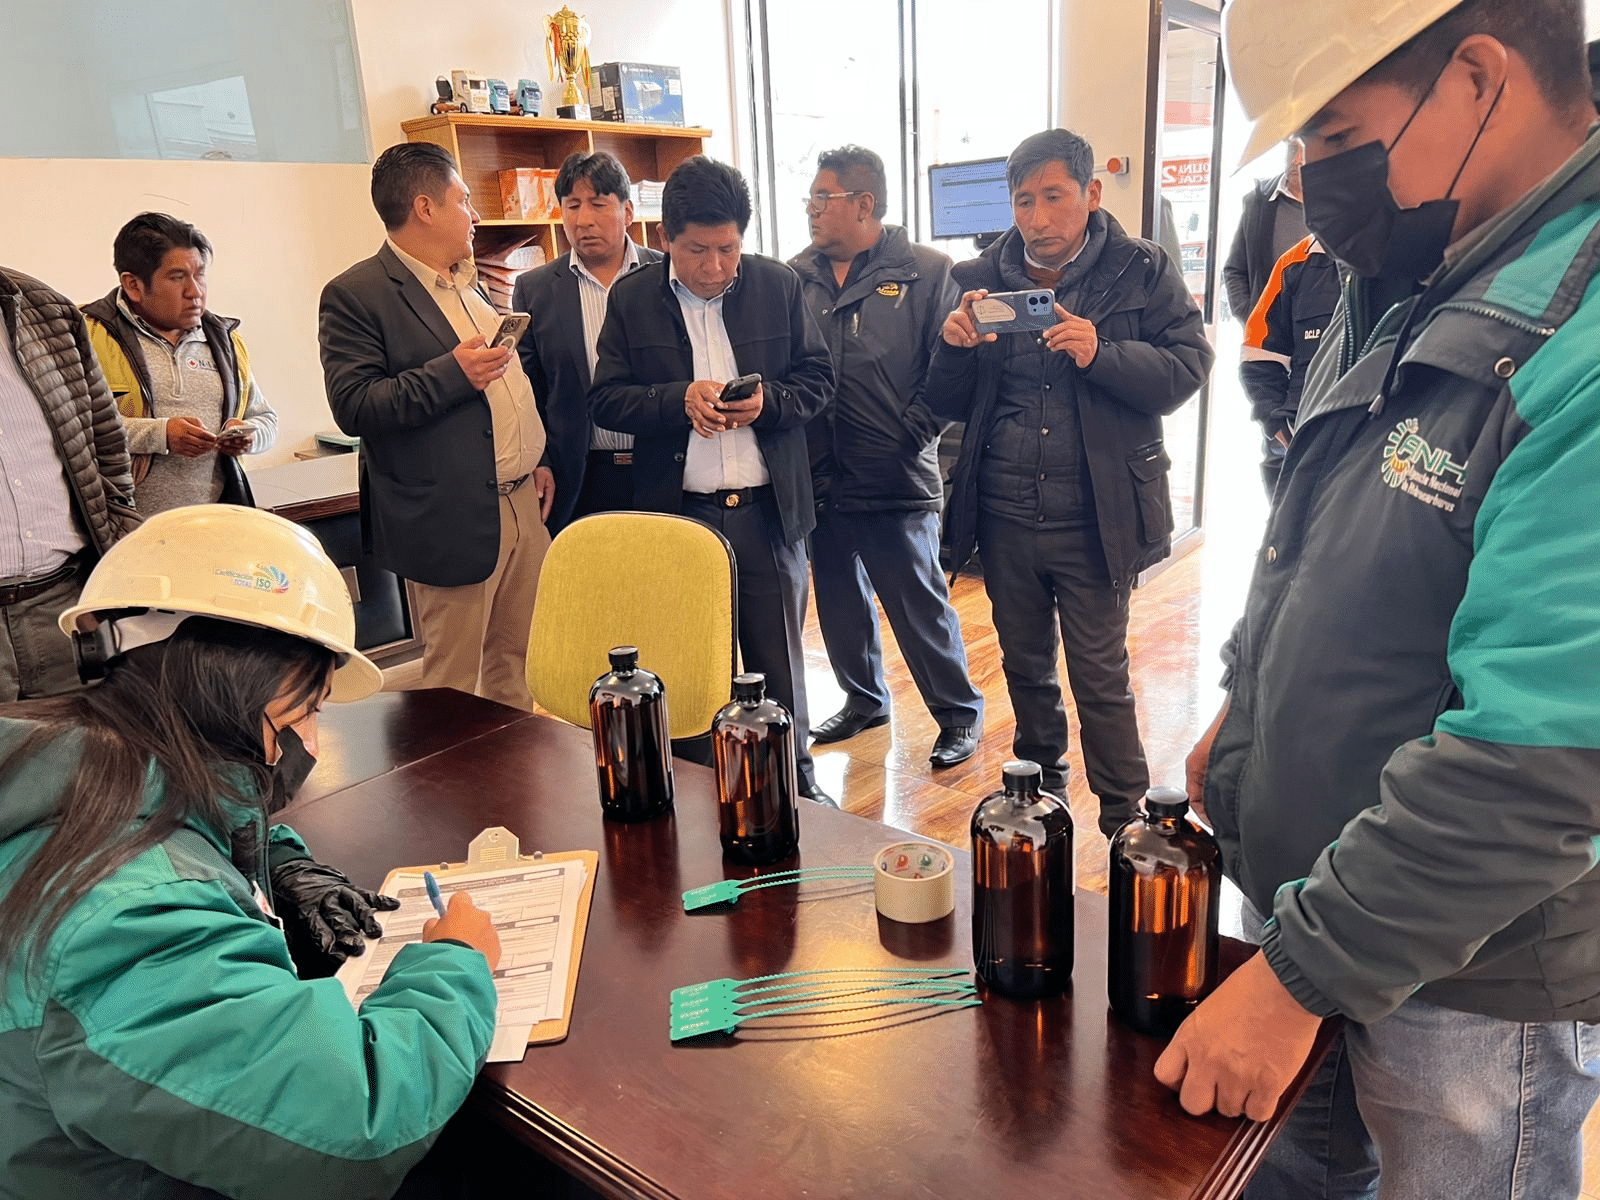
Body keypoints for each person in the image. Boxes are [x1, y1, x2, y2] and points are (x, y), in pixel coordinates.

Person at [1158, 4, 1600, 1199]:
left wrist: (1296, 978)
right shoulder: (1413, 265)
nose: (1311, 183)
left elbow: (1540, 760)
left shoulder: (1575, 340)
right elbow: (1326, 544)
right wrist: (1252, 708)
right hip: (1317, 899)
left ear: (1476, 78)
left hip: (1469, 980)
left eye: (1336, 135)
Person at [0, 504, 502, 1198]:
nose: (312, 743)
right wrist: (455, 962)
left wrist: (282, 865)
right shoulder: (126, 925)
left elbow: (182, 821)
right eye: (310, 708)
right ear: (231, 683)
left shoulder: (71, 776)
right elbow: (356, 1125)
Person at [925, 128, 1212, 837]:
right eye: (1024, 201)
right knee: (1024, 668)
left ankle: (1125, 823)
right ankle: (1037, 800)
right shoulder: (978, 278)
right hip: (1004, 515)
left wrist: (1101, 352)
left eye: (1054, 196)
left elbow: (1187, 369)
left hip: (1096, 517)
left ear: (1091, 193)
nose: (1038, 217)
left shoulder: (1140, 269)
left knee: (1100, 677)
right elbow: (945, 401)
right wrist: (954, 349)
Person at [591, 156, 837, 806]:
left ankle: (797, 790)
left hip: (767, 514)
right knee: (693, 667)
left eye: (729, 249)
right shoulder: (632, 299)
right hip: (681, 517)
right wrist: (676, 400)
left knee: (779, 665)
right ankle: (701, 797)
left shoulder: (777, 285)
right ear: (665, 238)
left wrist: (769, 403)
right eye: (698, 250)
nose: (716, 266)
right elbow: (606, 399)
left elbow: (819, 379)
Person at [320, 142, 555, 711]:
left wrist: (537, 458)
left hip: (522, 503)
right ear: (425, 208)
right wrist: (453, 374)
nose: (474, 214)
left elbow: (506, 389)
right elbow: (355, 405)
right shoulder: (358, 294)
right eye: (464, 200)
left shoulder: (469, 280)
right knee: (454, 687)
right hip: (452, 517)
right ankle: (458, 774)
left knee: (519, 666)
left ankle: (509, 771)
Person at [787, 145, 985, 768]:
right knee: (839, 603)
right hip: (821, 477)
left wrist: (912, 434)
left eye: (823, 198)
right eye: (812, 198)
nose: (812, 209)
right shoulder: (796, 276)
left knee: (918, 605)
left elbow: (954, 368)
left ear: (863, 204)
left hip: (895, 474)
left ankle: (959, 714)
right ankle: (864, 698)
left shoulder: (928, 272)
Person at [0, 264, 140, 703]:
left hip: (64, 608)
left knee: (89, 745)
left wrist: (115, 542)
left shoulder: (46, 310)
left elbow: (105, 439)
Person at [82, 212, 278, 514]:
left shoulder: (225, 340)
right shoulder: (87, 336)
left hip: (212, 521)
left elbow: (266, 419)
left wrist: (249, 435)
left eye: (200, 274)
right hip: (122, 526)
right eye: (177, 277)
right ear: (133, 285)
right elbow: (77, 430)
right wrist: (161, 435)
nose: (195, 291)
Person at [513, 152, 662, 535]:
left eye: (598, 204)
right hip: (578, 477)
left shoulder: (666, 276)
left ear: (627, 211)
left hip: (662, 467)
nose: (583, 220)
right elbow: (528, 390)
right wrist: (540, 460)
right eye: (572, 205)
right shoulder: (534, 289)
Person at [1238, 233, 1343, 495]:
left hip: (1381, 456)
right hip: (1301, 453)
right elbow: (1259, 354)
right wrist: (1280, 426)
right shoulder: (1296, 263)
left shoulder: (1409, 260)